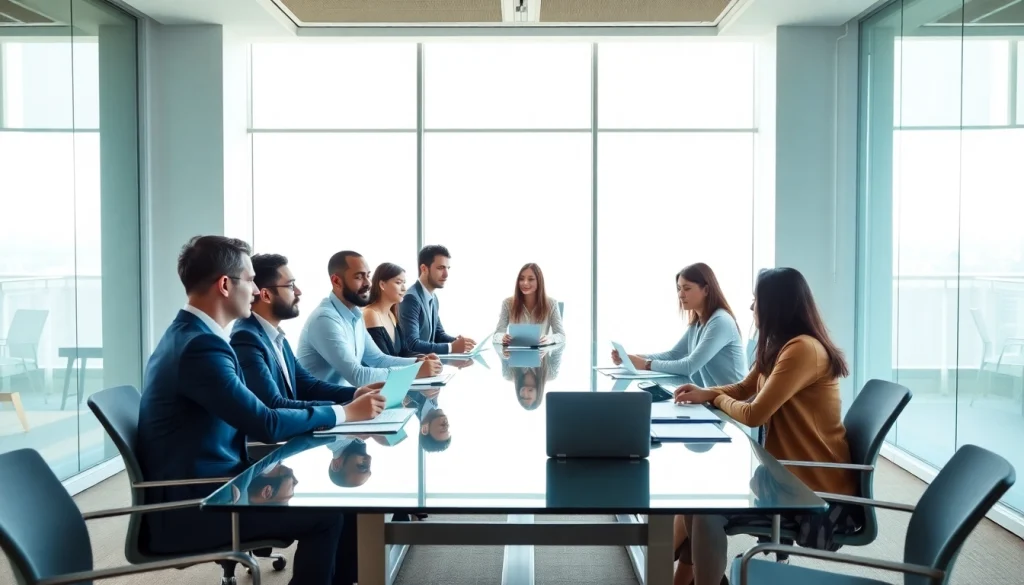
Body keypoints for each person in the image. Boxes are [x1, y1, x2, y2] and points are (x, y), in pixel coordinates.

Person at [136, 235, 357, 585]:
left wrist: (349, 403)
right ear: (225, 285)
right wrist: (345, 413)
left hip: (218, 485)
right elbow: (266, 421)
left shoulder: (191, 336)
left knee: (337, 505)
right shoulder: (200, 348)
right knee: (328, 516)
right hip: (197, 506)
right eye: (252, 280)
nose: (257, 292)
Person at [670, 267, 858, 585]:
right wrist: (707, 393)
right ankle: (685, 574)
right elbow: (744, 388)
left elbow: (754, 413)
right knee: (697, 497)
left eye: (757, 301)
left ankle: (686, 569)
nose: (752, 307)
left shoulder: (802, 350)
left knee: (705, 511)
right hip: (782, 473)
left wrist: (714, 399)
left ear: (776, 306)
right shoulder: (779, 344)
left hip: (812, 490)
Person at [232, 253, 385, 418]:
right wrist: (345, 411)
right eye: (290, 286)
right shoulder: (246, 338)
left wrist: (356, 394)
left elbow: (308, 386)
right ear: (266, 295)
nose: (298, 292)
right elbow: (274, 405)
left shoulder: (274, 336)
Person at [296, 250, 442, 387]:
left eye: (368, 275)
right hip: (324, 407)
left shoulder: (355, 315)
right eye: (359, 277)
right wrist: (415, 371)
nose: (368, 283)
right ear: (336, 281)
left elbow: (378, 359)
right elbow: (357, 376)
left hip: (347, 402)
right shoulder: (325, 319)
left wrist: (417, 362)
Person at [612, 263, 746, 388]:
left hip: (735, 406)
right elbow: (673, 355)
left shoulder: (720, 321)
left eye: (687, 289)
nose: (681, 295)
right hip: (717, 402)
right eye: (678, 289)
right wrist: (632, 358)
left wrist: (646, 364)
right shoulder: (699, 322)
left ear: (706, 290)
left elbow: (689, 366)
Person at [400, 244, 476, 355]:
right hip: (415, 367)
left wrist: (457, 342)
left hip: (430, 363)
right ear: (424, 269)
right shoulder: (411, 299)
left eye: (447, 268)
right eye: (440, 268)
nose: (446, 275)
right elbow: (412, 344)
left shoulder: (433, 298)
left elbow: (438, 334)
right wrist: (451, 347)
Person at [492, 263, 565, 346]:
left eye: (531, 279)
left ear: (539, 281)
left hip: (540, 355)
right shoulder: (507, 303)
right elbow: (496, 335)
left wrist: (549, 339)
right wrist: (502, 337)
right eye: (521, 279)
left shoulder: (552, 303)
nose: (525, 283)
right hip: (516, 354)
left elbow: (561, 335)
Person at [363, 262, 411, 357]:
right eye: (398, 283)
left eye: (404, 283)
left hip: (396, 370)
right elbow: (383, 361)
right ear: (382, 285)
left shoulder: (391, 314)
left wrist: (424, 358)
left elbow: (404, 352)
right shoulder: (370, 314)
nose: (404, 288)